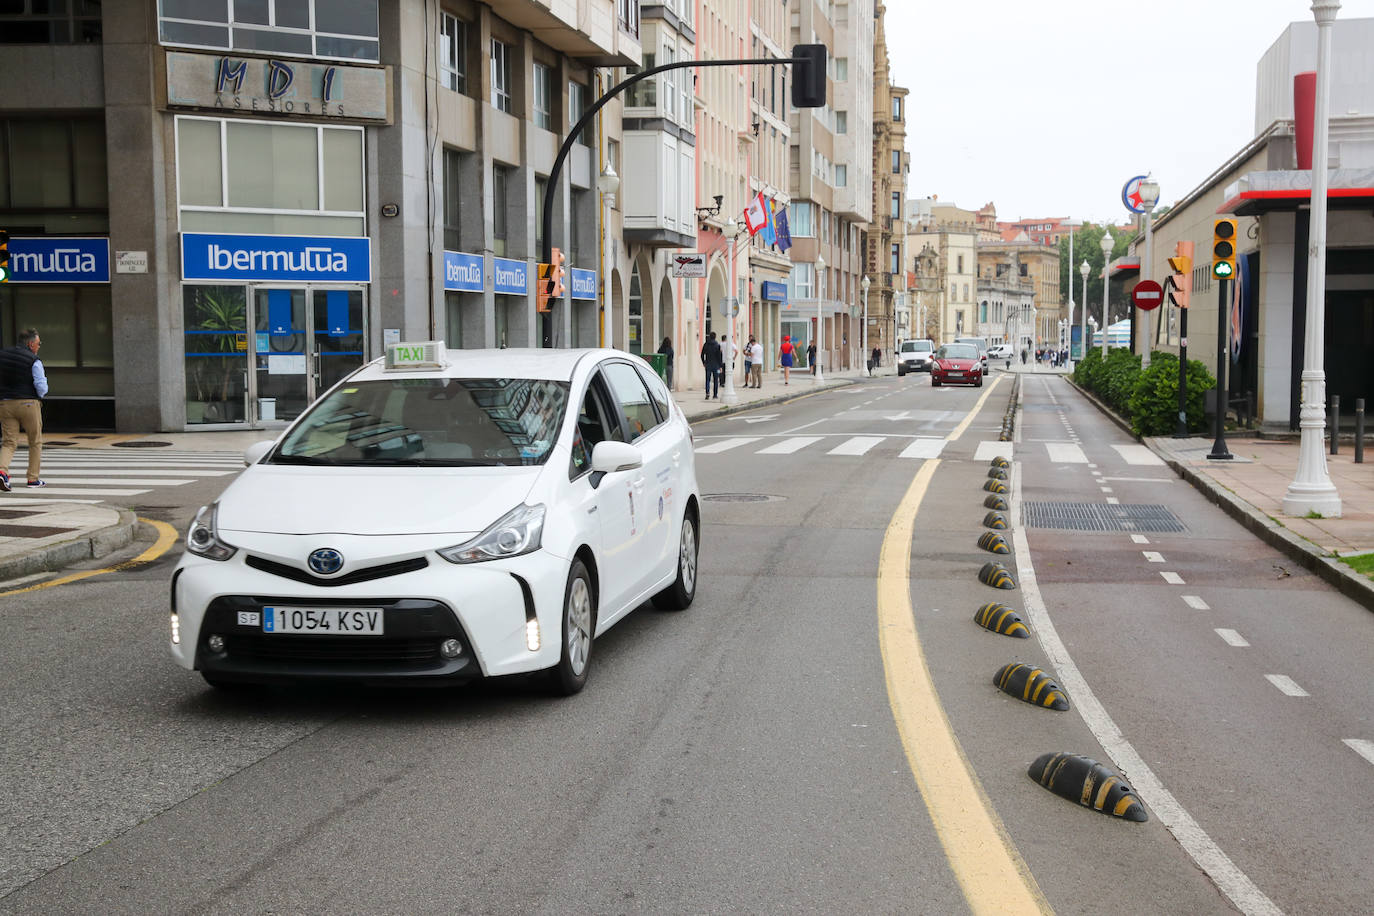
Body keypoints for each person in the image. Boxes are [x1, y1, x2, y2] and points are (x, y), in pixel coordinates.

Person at [0, 328, 48, 491]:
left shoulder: (2, 355)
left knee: (9, 442)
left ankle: (2, 471)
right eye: (38, 343)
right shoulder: (34, 360)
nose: (39, 346)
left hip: (5, 403)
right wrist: (41, 394)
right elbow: (41, 386)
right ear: (30, 343)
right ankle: (33, 479)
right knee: (35, 441)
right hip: (28, 403)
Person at [700, 331, 723, 400]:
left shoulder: (706, 344)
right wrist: (720, 366)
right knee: (716, 380)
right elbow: (719, 356)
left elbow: (702, 354)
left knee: (707, 379)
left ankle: (707, 393)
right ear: (715, 337)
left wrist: (704, 362)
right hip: (716, 365)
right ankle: (715, 394)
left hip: (708, 364)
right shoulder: (717, 345)